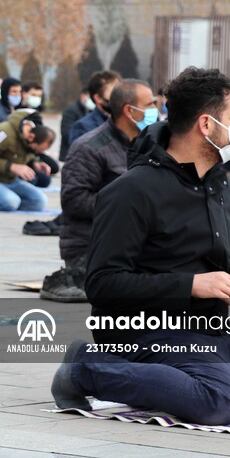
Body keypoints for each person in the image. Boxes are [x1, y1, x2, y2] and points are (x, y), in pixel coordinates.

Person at [51, 66, 230, 426]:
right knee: (223, 403)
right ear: (206, 125)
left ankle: (196, 383)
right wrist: (192, 284)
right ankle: (86, 368)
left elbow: (224, 260)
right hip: (148, 331)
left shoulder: (218, 184)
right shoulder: (132, 191)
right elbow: (102, 284)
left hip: (210, 329)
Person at [42, 79, 156, 302]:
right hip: (93, 247)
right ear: (129, 110)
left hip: (136, 241)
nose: (155, 110)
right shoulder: (90, 147)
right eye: (150, 104)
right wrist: (129, 210)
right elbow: (74, 200)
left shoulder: (149, 144)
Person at [0, 110, 55, 212]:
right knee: (11, 202)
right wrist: (12, 167)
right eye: (36, 149)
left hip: (9, 180)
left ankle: (1, 201)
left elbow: (28, 154)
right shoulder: (3, 133)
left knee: (39, 202)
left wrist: (35, 164)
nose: (36, 152)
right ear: (31, 137)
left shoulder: (28, 138)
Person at [0, 80, 42, 145]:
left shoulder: (18, 113)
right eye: (14, 92)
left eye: (19, 92)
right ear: (5, 92)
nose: (17, 95)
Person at [68, 70, 121, 147]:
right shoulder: (83, 127)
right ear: (98, 98)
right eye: (113, 93)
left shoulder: (126, 122)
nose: (120, 97)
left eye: (120, 92)